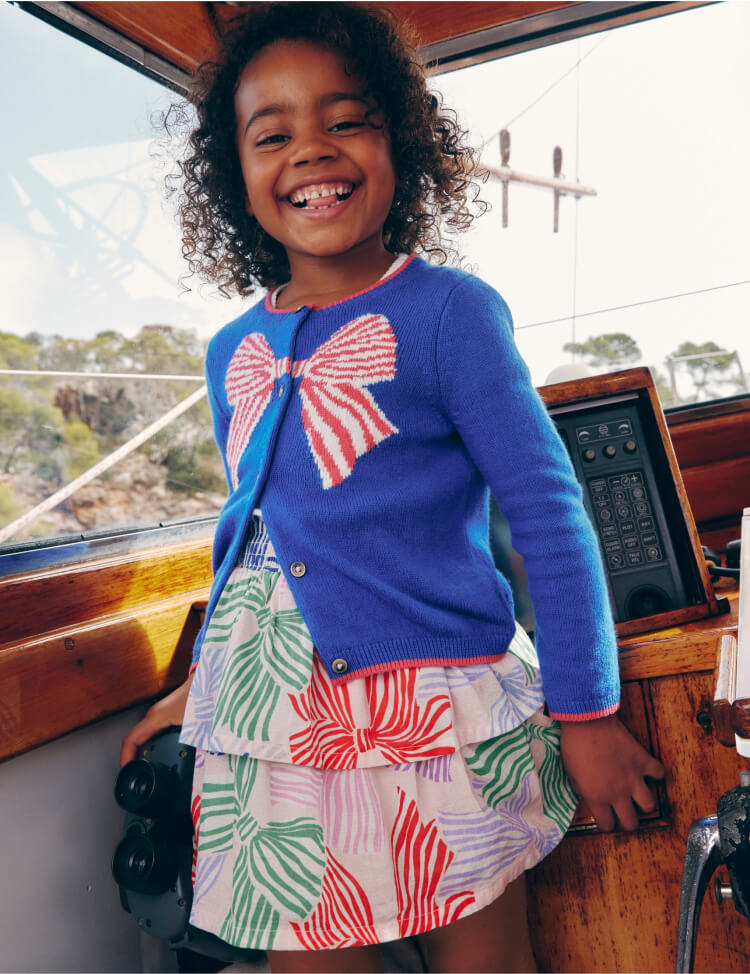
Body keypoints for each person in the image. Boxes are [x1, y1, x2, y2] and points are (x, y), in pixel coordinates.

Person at [121, 4, 664, 971]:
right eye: (273, 134)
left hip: (435, 706)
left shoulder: (451, 313)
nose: (311, 152)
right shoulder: (227, 352)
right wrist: (196, 694)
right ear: (234, 176)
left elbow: (549, 511)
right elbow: (257, 539)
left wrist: (587, 713)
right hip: (272, 718)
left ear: (399, 143)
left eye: (346, 120)